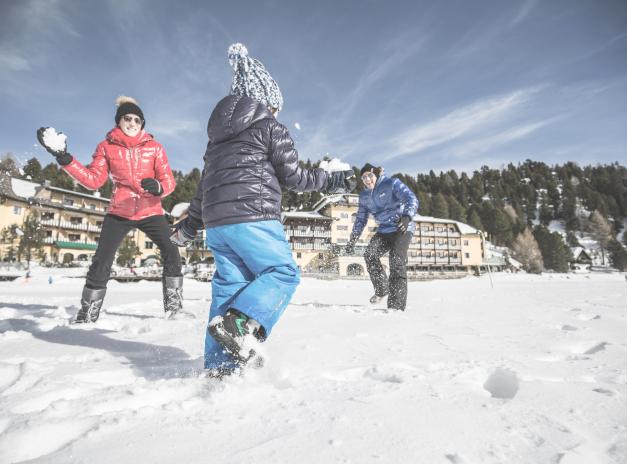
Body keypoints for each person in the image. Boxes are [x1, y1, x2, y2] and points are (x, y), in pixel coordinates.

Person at [171, 43, 355, 376]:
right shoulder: (270, 127)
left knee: (229, 289)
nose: (278, 113)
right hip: (254, 218)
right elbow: (294, 177)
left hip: (218, 225)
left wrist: (188, 226)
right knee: (282, 272)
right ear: (267, 103)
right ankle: (242, 327)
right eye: (276, 107)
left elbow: (204, 189)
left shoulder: (216, 143)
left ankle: (218, 367)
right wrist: (330, 181)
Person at [36, 96, 183, 323]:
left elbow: (169, 181)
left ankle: (174, 308)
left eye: (137, 119)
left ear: (142, 123)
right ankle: (87, 313)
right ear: (119, 121)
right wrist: (65, 159)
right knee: (102, 259)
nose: (132, 123)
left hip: (151, 210)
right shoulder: (106, 147)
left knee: (172, 250)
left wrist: (159, 187)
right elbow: (94, 180)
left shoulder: (155, 147)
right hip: (120, 211)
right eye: (127, 118)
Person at [345, 163, 418, 311]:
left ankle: (395, 307)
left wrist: (407, 216)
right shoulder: (364, 196)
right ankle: (382, 289)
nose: (367, 179)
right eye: (364, 177)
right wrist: (353, 238)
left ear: (376, 175)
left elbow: (411, 198)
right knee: (370, 254)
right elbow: (360, 219)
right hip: (384, 230)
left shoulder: (391, 183)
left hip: (401, 227)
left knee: (396, 260)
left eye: (370, 175)